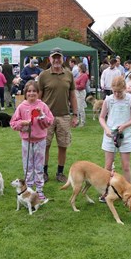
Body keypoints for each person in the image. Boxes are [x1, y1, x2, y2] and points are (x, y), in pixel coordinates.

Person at [38, 47, 78, 183]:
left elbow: (73, 96)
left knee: (63, 146)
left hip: (64, 116)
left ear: (63, 59)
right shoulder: (43, 75)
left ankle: (60, 173)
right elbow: (39, 97)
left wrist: (75, 114)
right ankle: (44, 172)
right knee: (45, 146)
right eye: (53, 57)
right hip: (46, 117)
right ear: (50, 59)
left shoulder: (69, 75)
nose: (56, 60)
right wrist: (36, 114)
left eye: (58, 57)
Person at [10, 80, 54, 201]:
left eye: (34, 91)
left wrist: (41, 116)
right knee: (28, 165)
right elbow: (13, 123)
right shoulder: (21, 106)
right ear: (25, 93)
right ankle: (28, 188)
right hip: (26, 141)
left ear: (38, 93)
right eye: (29, 91)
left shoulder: (43, 106)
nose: (31, 93)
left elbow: (49, 122)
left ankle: (39, 190)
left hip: (40, 140)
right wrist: (22, 123)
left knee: (39, 166)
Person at [99, 76, 131, 186]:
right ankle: (105, 191)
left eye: (119, 92)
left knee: (126, 166)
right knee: (107, 165)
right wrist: (106, 129)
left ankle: (128, 192)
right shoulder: (108, 99)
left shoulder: (130, 99)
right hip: (110, 136)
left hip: (125, 136)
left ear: (125, 88)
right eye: (114, 91)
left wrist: (125, 126)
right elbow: (101, 117)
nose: (117, 94)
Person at [75, 63, 89, 127]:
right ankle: (77, 121)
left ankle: (82, 122)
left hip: (80, 92)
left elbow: (82, 86)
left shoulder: (84, 76)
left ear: (81, 68)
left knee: (80, 108)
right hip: (77, 92)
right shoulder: (80, 75)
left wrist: (75, 86)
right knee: (77, 107)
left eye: (78, 67)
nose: (77, 68)